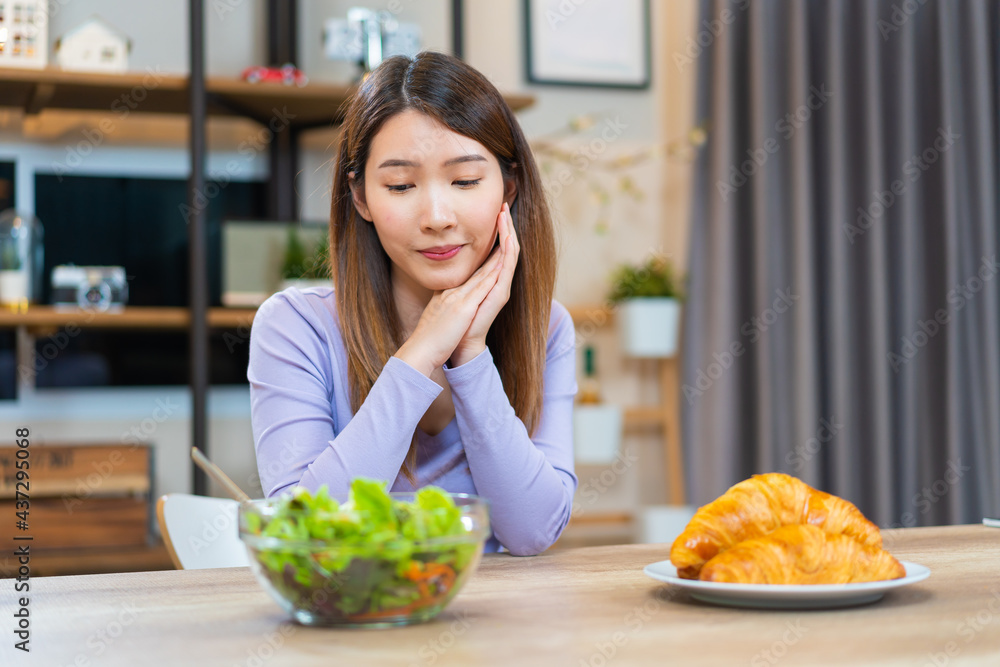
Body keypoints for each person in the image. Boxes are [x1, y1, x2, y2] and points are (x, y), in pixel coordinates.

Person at [248, 51, 577, 556]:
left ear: (508, 187)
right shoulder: (294, 326)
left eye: (465, 181)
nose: (437, 216)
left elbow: (531, 532)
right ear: (360, 198)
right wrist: (423, 351)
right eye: (400, 185)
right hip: (350, 621)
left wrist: (469, 353)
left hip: (496, 626)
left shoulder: (546, 327)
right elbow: (309, 532)